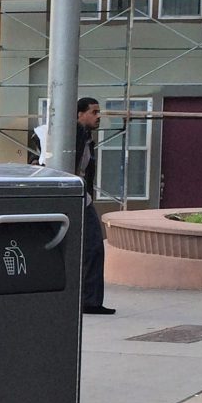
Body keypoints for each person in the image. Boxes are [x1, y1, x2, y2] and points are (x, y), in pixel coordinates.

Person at [76, 98, 115, 315]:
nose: (98, 116)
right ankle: (89, 301)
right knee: (92, 246)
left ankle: (89, 299)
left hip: (83, 197)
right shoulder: (75, 134)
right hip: (77, 198)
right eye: (94, 112)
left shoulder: (86, 137)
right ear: (80, 114)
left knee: (91, 248)